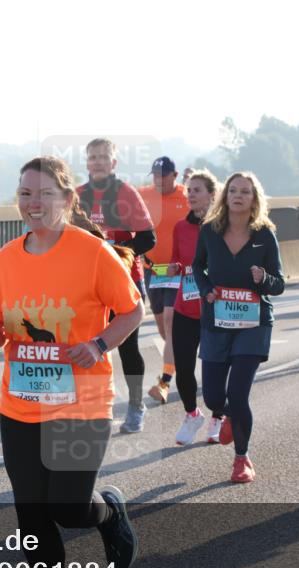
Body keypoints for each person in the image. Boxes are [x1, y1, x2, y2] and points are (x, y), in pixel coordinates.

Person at [0, 156, 142, 568]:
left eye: (44, 193)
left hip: (81, 402)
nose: (33, 203)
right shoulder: (7, 257)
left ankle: (109, 514)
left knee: (67, 508)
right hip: (21, 402)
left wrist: (98, 345)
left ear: (67, 200)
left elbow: (132, 310)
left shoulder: (92, 252)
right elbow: (0, 327)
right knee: (30, 513)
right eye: (25, 193)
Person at [192, 172, 285, 483]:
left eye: (245, 191)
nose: (238, 195)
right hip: (216, 321)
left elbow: (279, 284)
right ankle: (228, 414)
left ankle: (242, 459)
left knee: (238, 393)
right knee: (214, 398)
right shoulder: (209, 231)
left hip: (253, 324)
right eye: (233, 190)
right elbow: (197, 266)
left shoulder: (265, 235)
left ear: (254, 199)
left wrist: (263, 279)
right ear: (225, 196)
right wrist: (206, 289)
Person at [77, 138, 155, 433]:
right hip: (88, 284)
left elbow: (149, 239)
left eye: (103, 157)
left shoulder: (126, 193)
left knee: (127, 348)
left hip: (125, 279)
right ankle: (93, 408)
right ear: (87, 162)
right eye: (92, 157)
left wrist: (115, 248)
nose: (97, 162)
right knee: (87, 347)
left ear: (113, 163)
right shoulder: (77, 195)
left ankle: (136, 405)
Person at [168, 169, 226, 445]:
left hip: (216, 308)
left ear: (212, 195)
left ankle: (218, 416)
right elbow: (178, 261)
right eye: (189, 190)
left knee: (216, 367)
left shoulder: (224, 227)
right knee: (183, 365)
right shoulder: (180, 227)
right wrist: (173, 268)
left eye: (197, 190)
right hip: (186, 307)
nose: (190, 194)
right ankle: (192, 414)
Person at [138, 156, 189, 403]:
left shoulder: (186, 198)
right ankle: (178, 359)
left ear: (175, 175)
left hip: (177, 271)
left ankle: (165, 382)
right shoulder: (143, 195)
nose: (158, 180)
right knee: (164, 329)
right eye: (155, 176)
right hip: (152, 271)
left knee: (170, 322)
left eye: (163, 176)